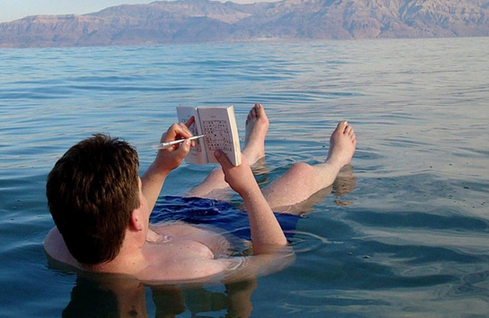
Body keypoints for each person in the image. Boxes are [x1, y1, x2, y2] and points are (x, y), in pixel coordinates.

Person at [44, 103, 356, 283]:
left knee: (221, 171)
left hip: (177, 218)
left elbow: (121, 215)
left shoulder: (61, 239)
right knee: (300, 173)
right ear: (136, 219)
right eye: (141, 189)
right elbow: (277, 258)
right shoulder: (183, 270)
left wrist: (161, 168)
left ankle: (252, 148)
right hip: (239, 231)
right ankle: (336, 161)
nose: (144, 190)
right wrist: (248, 190)